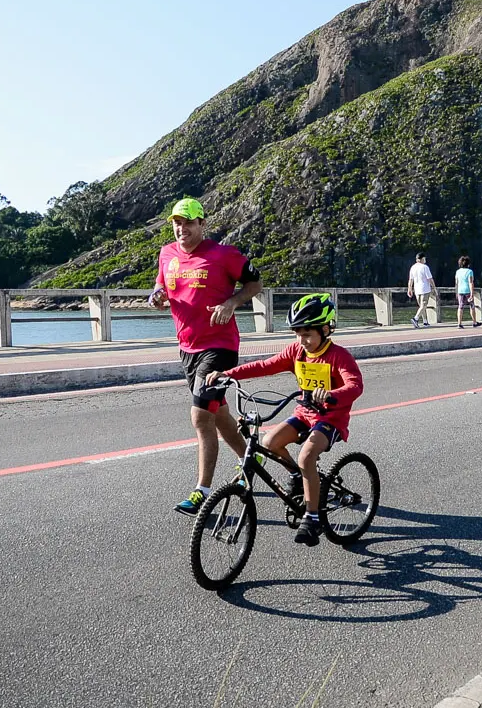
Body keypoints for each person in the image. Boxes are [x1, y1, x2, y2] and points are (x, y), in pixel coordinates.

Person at [208, 293, 364, 546]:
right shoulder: (296, 351)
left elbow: (355, 386)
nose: (302, 341)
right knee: (270, 442)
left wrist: (333, 395)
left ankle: (312, 517)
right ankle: (296, 476)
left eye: (307, 335)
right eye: (297, 334)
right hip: (304, 413)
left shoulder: (338, 356)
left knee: (306, 456)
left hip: (330, 418)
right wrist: (228, 374)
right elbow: (265, 365)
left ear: (325, 330)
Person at [148, 197, 263, 515]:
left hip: (220, 347)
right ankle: (251, 458)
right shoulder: (167, 254)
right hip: (187, 347)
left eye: (187, 222)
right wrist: (156, 298)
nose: (181, 228)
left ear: (202, 224)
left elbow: (255, 283)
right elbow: (161, 288)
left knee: (201, 417)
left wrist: (232, 302)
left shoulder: (223, 254)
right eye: (176, 222)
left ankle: (202, 491)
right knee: (219, 414)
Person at [407, 252, 437, 328]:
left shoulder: (413, 267)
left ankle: (425, 321)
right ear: (422, 259)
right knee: (423, 305)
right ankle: (415, 318)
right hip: (424, 288)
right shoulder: (425, 267)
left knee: (421, 306)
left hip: (417, 289)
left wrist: (409, 289)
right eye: (424, 258)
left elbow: (410, 280)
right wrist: (434, 287)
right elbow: (430, 278)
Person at [454, 255, 481, 329]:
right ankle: (474, 322)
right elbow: (471, 282)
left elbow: (456, 283)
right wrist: (472, 293)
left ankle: (459, 323)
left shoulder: (458, 271)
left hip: (460, 291)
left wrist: (456, 292)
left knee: (460, 307)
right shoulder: (470, 271)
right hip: (468, 291)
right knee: (472, 306)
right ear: (468, 264)